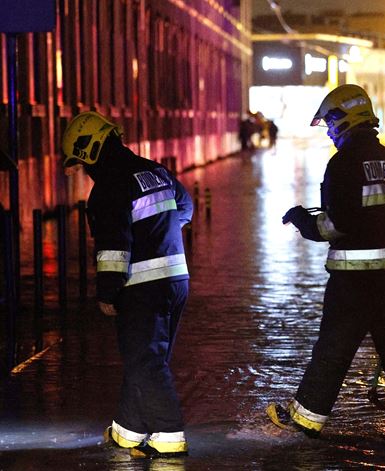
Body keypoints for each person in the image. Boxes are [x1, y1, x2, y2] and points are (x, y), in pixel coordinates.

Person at [268, 84, 385, 446]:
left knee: (333, 348)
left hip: (351, 281)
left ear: (343, 120)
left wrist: (301, 220)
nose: (328, 131)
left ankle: (305, 420)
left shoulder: (342, 163)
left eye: (328, 123)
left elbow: (334, 225)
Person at [61, 111, 193, 458]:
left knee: (145, 362)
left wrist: (107, 293)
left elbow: (113, 250)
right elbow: (186, 207)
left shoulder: (108, 188)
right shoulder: (154, 170)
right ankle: (128, 430)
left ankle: (168, 433)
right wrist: (159, 235)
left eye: (79, 161)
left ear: (89, 151)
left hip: (142, 286)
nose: (81, 170)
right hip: (176, 280)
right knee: (147, 357)